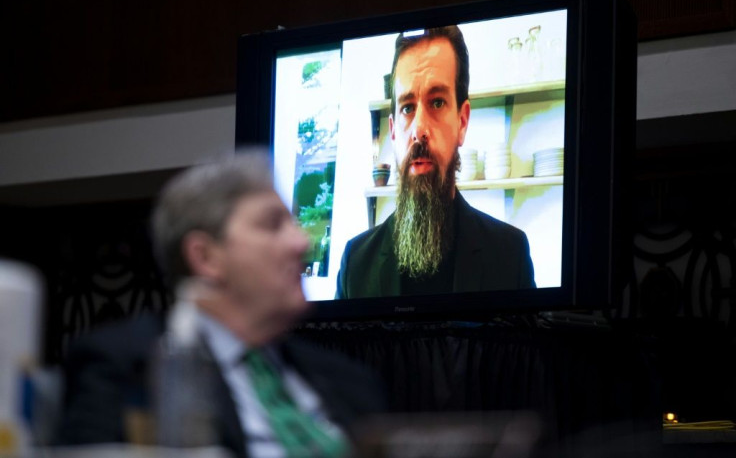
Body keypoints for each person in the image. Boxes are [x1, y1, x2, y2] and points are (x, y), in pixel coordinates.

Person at [59, 149, 386, 457]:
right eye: (272, 225)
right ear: (205, 257)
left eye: (295, 224)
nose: (301, 242)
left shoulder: (350, 381)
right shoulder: (125, 367)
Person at [336, 26, 535, 299]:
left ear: (462, 122)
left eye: (437, 102)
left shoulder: (511, 255)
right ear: (393, 132)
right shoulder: (356, 264)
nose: (419, 129)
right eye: (407, 107)